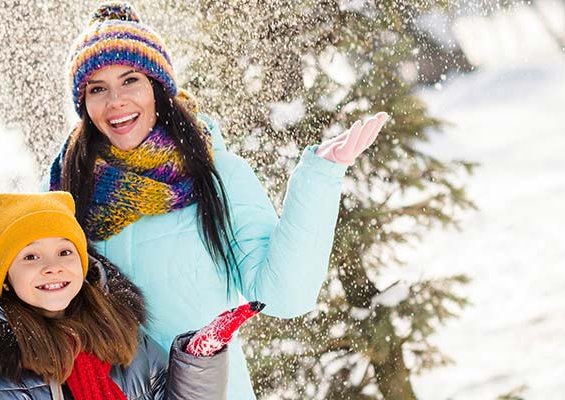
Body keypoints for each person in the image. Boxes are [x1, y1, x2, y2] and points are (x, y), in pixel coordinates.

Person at [48, 3, 390, 398]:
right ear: (84, 104)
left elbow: (282, 295)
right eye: (97, 89)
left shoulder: (218, 175)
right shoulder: (63, 190)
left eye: (130, 81)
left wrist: (318, 180)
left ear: (158, 88)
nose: (116, 101)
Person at [0, 191, 263, 399]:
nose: (52, 267)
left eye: (65, 252)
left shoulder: (129, 346)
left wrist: (199, 362)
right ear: (3, 279)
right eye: (30, 257)